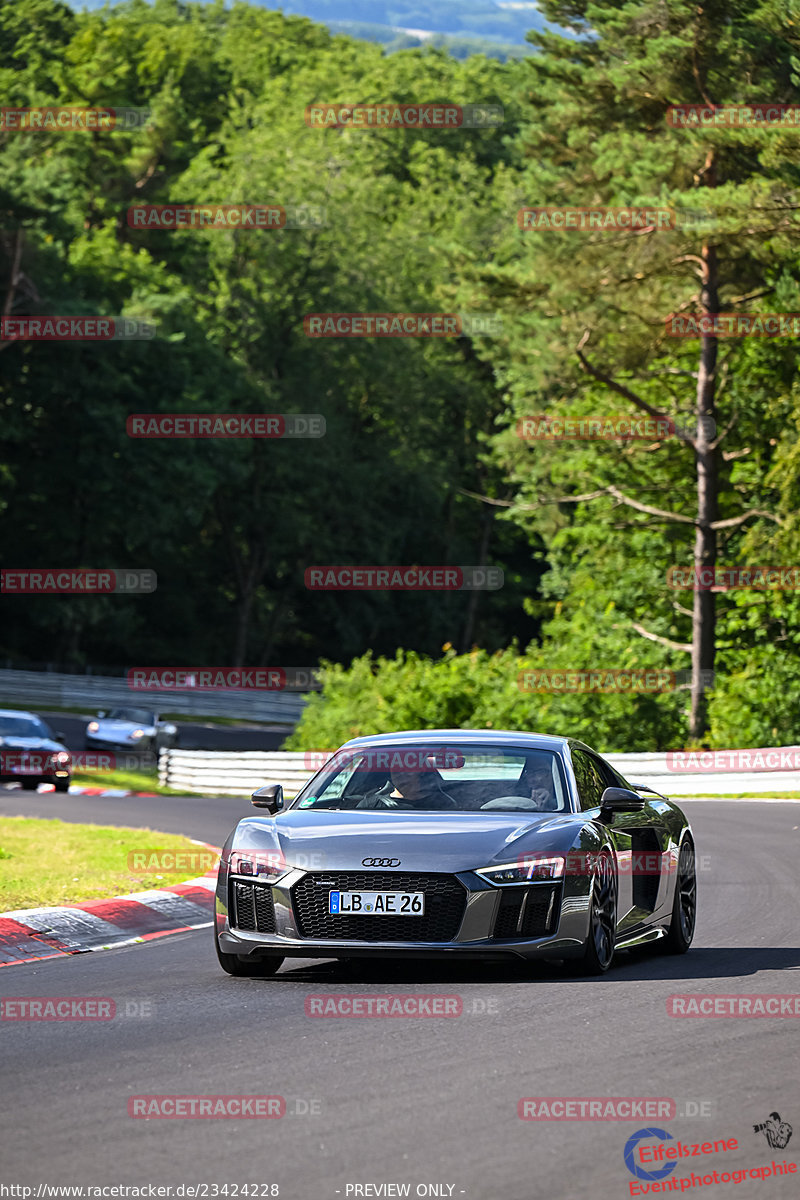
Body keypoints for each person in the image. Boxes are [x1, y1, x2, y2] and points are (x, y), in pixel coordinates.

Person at [357, 765, 457, 809]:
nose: (401, 775)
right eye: (396, 769)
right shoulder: (370, 806)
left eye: (407, 769)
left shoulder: (444, 804)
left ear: (420, 770)